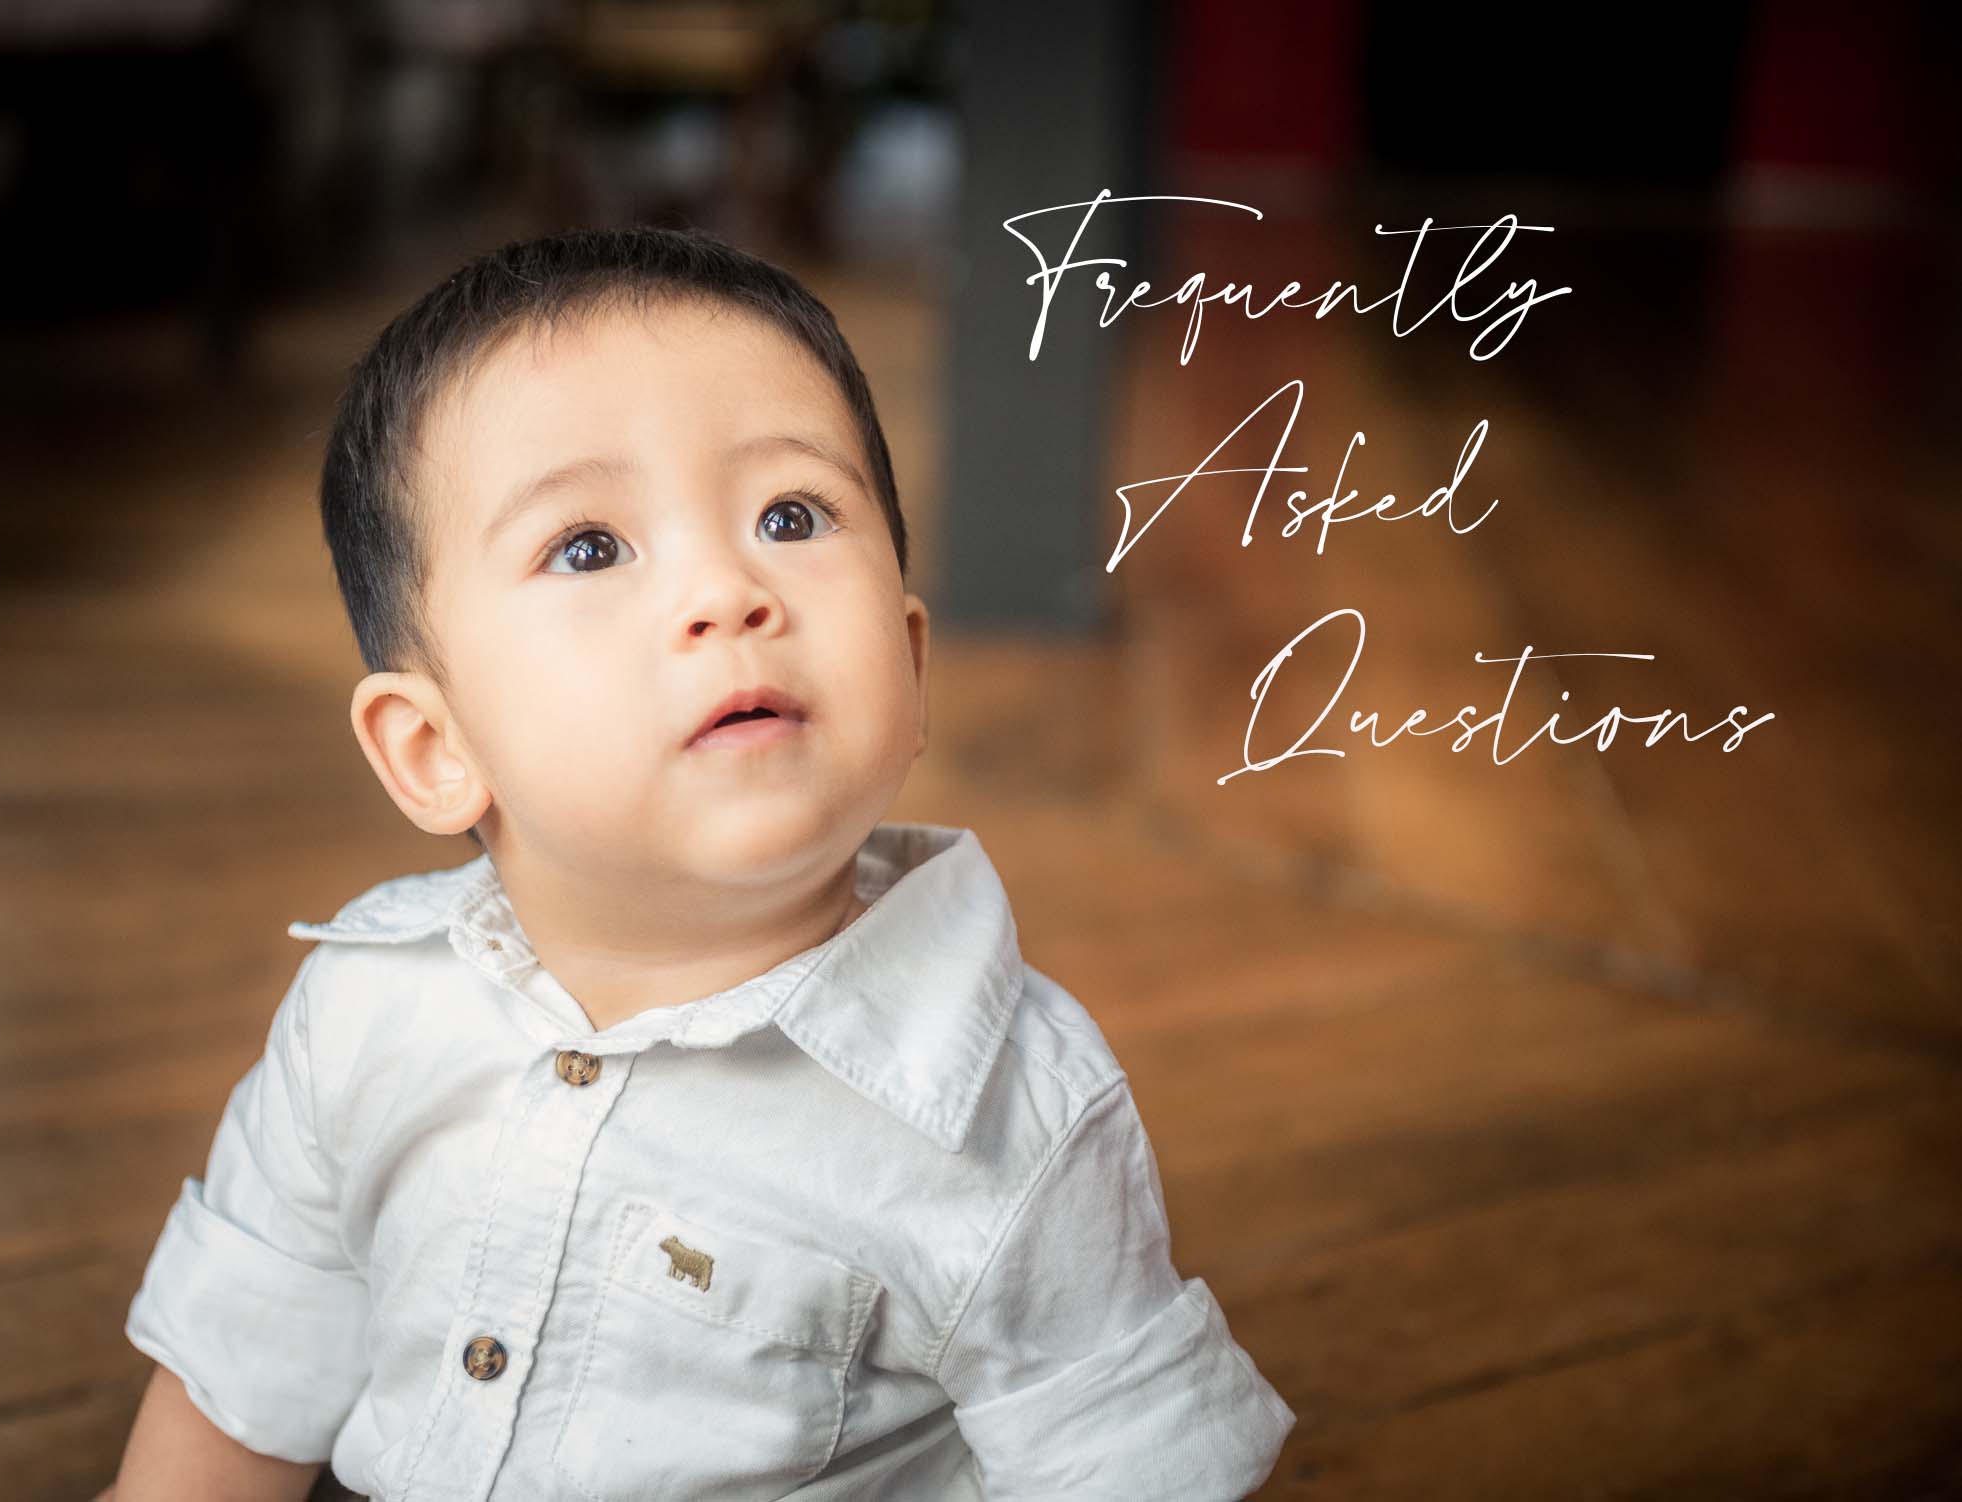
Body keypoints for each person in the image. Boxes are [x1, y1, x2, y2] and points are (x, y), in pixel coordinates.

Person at [102, 226, 1295, 1501]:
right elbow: (240, 1368)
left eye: (791, 515)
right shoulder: (362, 1014)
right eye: (591, 545)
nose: (728, 591)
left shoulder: (1011, 1121)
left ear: (911, 658)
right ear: (435, 746)